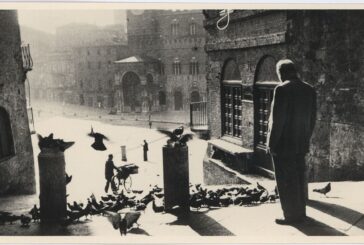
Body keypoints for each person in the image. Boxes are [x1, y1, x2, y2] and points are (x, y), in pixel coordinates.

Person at [266, 59, 316, 225]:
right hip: (301, 144)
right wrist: (305, 138)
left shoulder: (281, 89)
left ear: (281, 72)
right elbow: (312, 120)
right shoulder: (309, 89)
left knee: (285, 181)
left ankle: (290, 216)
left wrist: (271, 144)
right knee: (299, 178)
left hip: (283, 145)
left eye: (278, 74)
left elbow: (278, 121)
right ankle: (301, 213)